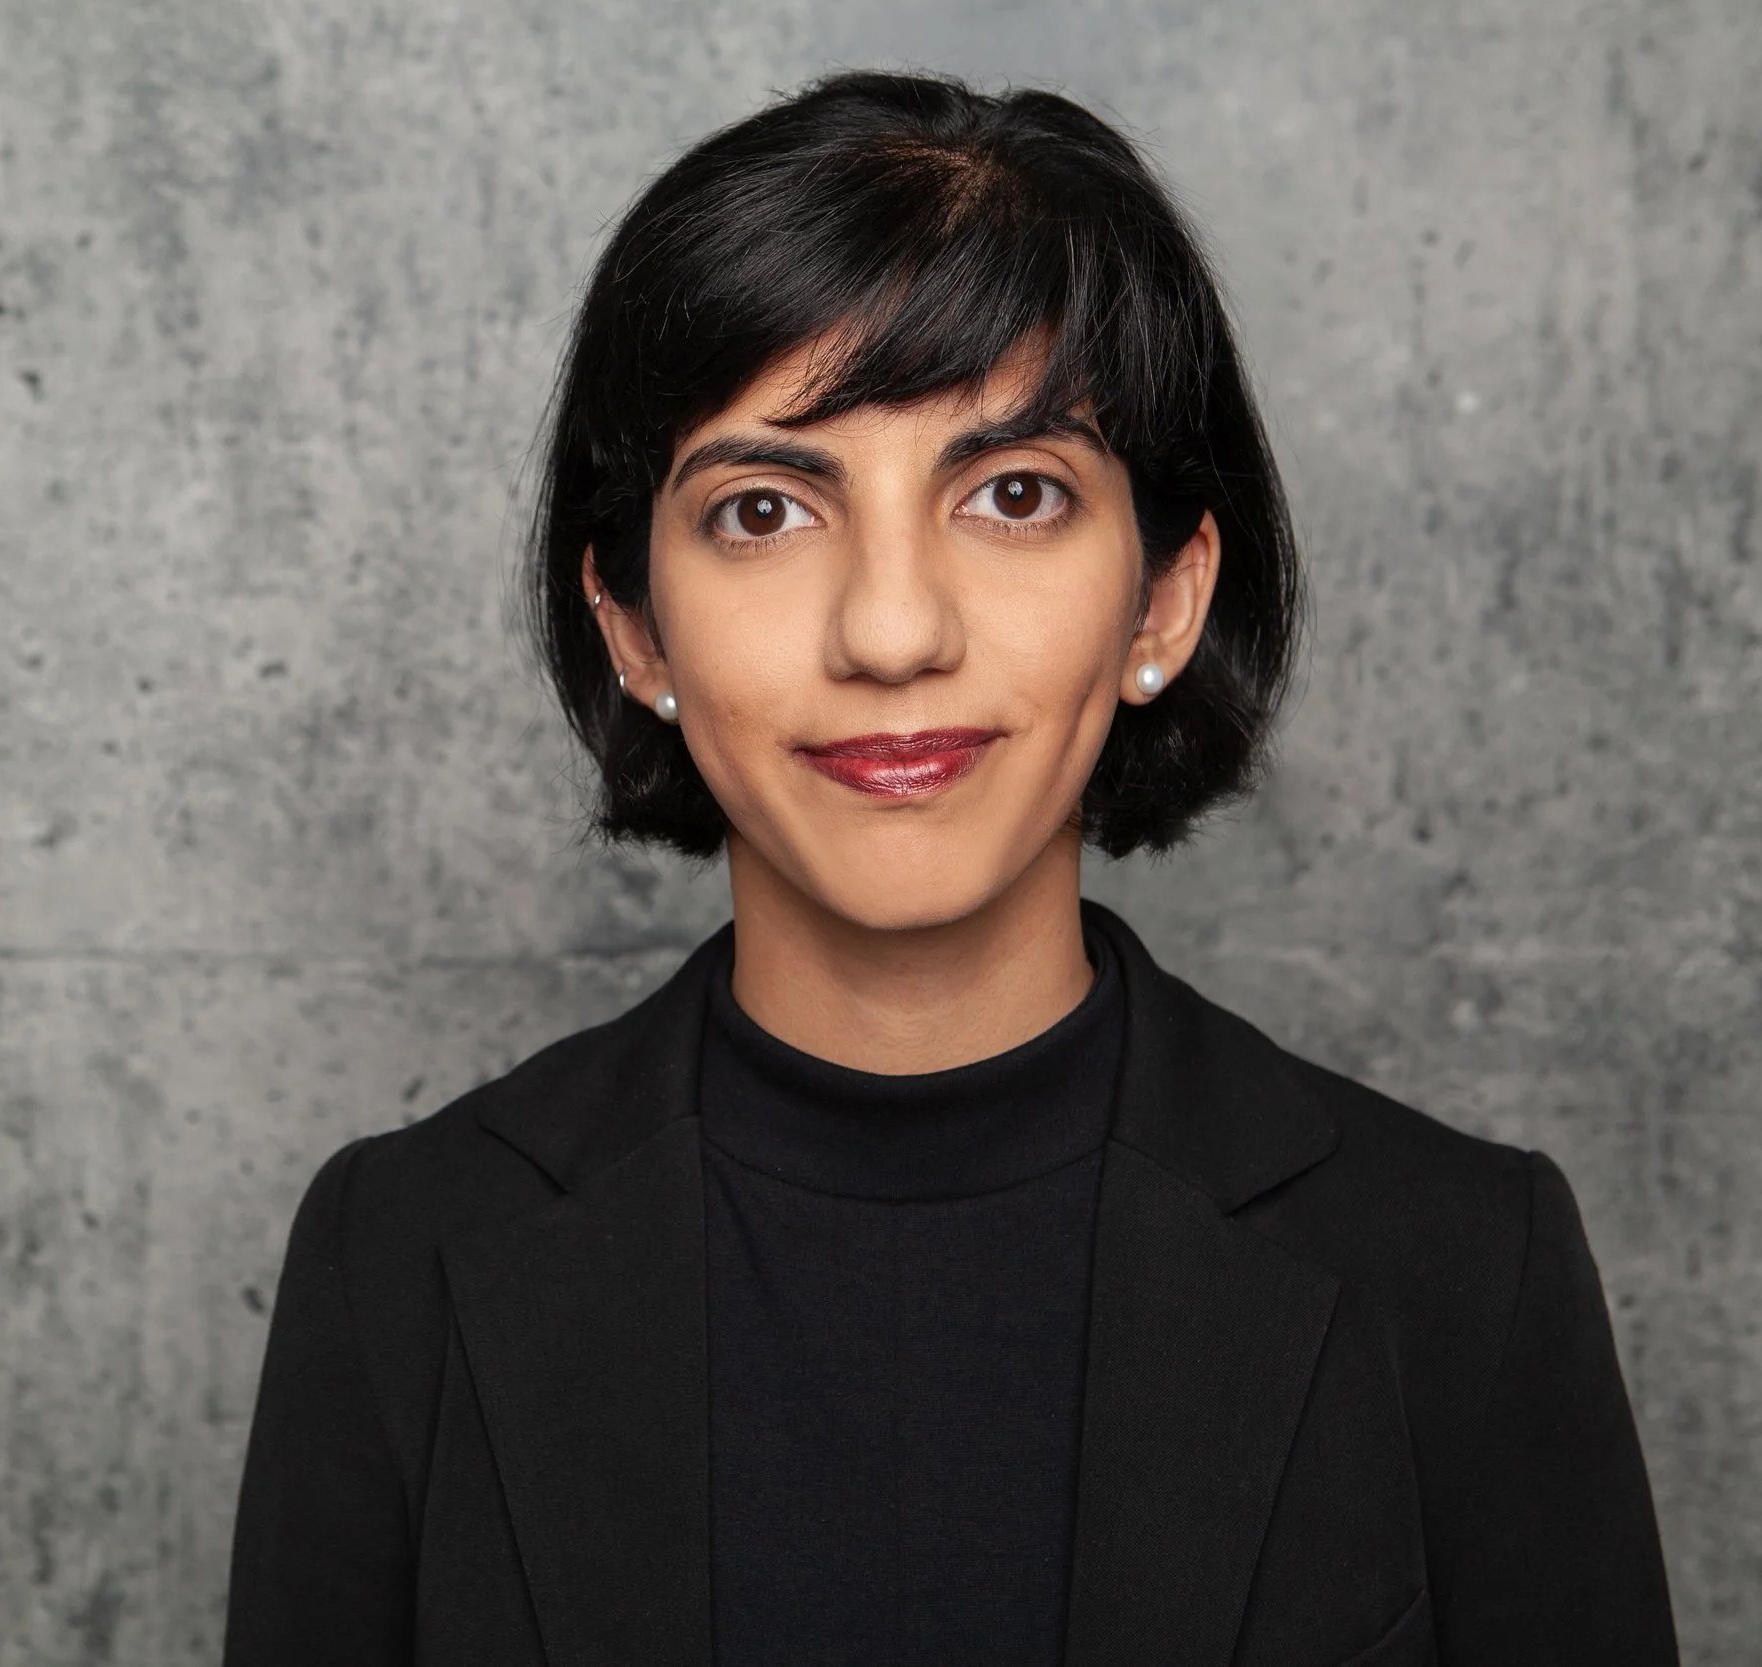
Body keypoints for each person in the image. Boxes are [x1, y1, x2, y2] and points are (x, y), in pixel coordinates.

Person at [219, 71, 1678, 1667]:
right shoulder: (401, 1256)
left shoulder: (1463, 1268)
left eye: (1015, 494)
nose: (894, 630)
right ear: (634, 623)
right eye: (766, 509)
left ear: (1164, 605)